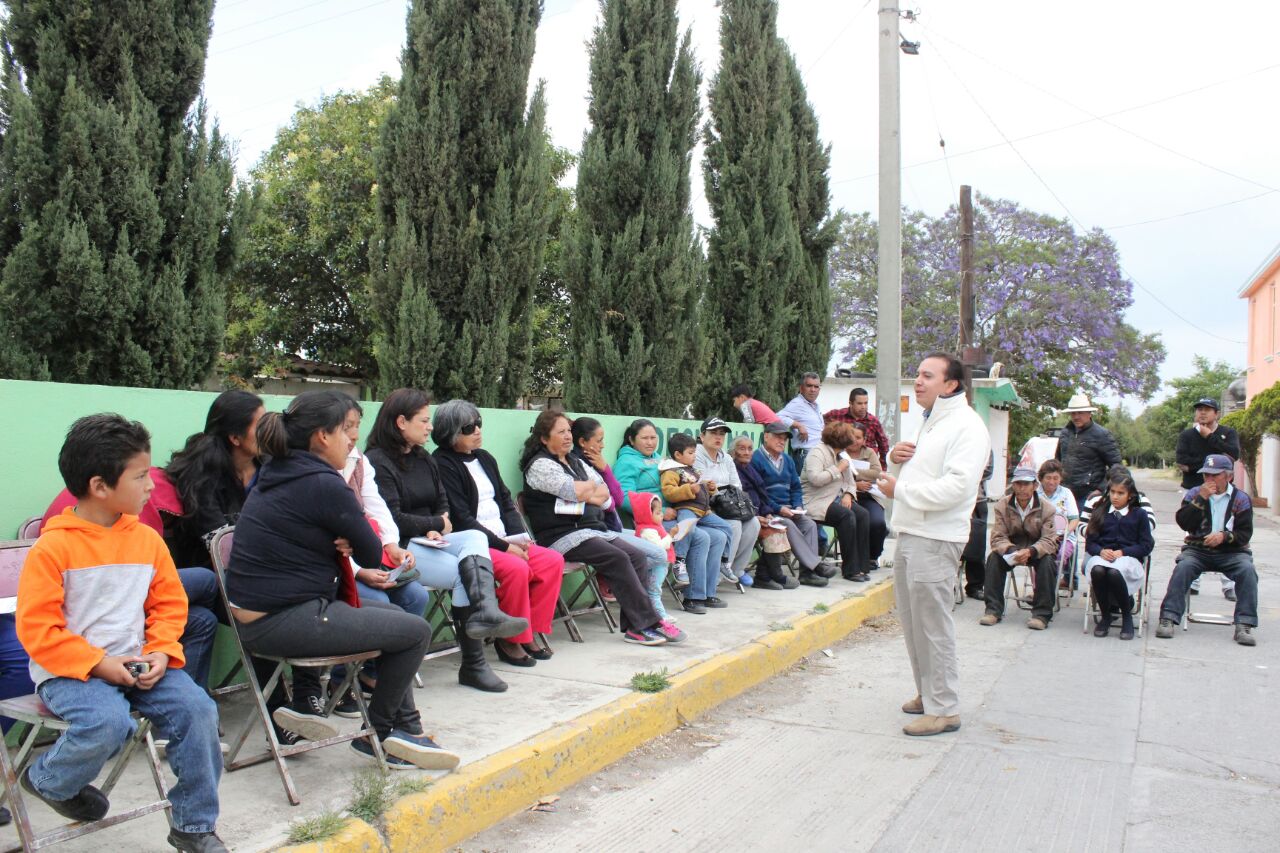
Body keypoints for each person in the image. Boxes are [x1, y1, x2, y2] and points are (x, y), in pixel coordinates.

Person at [17, 414, 226, 852]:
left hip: (139, 660)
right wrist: (99, 664)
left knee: (198, 710)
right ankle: (49, 781)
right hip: (71, 671)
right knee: (108, 723)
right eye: (140, 476)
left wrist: (163, 652)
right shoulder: (53, 548)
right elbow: (39, 629)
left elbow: (169, 605)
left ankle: (194, 827)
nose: (151, 485)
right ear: (100, 487)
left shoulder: (147, 540)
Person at [226, 391, 461, 771]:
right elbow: (371, 553)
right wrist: (349, 539)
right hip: (284, 619)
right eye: (346, 431)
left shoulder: (278, 469)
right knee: (415, 631)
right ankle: (384, 733)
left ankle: (405, 728)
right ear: (322, 436)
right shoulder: (322, 482)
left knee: (394, 623)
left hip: (267, 616)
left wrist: (343, 538)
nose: (352, 441)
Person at [365, 390, 528, 691]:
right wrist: (436, 523)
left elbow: (442, 502)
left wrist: (437, 525)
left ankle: (485, 617)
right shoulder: (377, 461)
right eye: (424, 420)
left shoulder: (422, 457)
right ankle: (474, 663)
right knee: (465, 575)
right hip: (400, 547)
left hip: (432, 539)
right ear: (401, 422)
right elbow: (393, 517)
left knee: (475, 537)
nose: (429, 427)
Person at [876, 353, 991, 738]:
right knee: (912, 622)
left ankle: (945, 708)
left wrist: (901, 488)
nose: (918, 382)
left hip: (937, 537)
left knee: (933, 625)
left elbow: (958, 487)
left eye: (928, 376)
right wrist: (895, 461)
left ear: (951, 384)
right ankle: (928, 694)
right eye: (918, 375)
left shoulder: (967, 427)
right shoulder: (929, 422)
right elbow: (917, 473)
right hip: (911, 532)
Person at [432, 398, 568, 680]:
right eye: (469, 427)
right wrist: (506, 546)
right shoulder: (442, 464)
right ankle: (510, 639)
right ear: (451, 431)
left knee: (551, 561)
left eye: (479, 423)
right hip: (476, 545)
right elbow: (462, 518)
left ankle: (528, 630)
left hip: (507, 538)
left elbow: (506, 501)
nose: (478, 431)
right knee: (517, 569)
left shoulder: (485, 458)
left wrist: (521, 538)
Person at [521, 411, 682, 644]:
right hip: (561, 536)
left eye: (568, 431)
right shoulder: (540, 465)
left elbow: (605, 493)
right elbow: (575, 491)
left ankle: (634, 628)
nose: (568, 437)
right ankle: (648, 622)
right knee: (617, 557)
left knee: (636, 555)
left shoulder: (574, 461)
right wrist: (586, 491)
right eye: (561, 432)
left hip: (591, 530)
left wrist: (585, 492)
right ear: (544, 439)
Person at [571, 417, 673, 623]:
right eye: (599, 440)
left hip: (609, 526)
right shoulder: (577, 464)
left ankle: (647, 607)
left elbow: (612, 497)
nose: (603, 445)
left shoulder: (595, 462)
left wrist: (604, 470)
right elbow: (619, 499)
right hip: (602, 528)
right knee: (650, 554)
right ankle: (646, 610)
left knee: (661, 550)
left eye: (654, 437)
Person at [1156, 454, 1260, 646]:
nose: (1209, 480)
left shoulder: (1241, 499)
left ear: (1228, 476)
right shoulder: (1194, 493)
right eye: (1206, 476)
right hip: (1198, 550)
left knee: (1247, 570)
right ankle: (1168, 617)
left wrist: (1224, 536)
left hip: (1232, 552)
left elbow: (1244, 534)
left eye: (1214, 475)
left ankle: (1244, 624)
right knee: (1183, 567)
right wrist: (1200, 499)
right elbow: (1184, 522)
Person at [614, 418, 714, 591]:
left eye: (653, 437)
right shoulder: (626, 462)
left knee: (716, 535)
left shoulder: (659, 459)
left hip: (674, 513)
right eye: (645, 438)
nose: (650, 442)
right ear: (631, 439)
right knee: (700, 537)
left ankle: (703, 594)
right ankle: (692, 595)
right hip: (649, 521)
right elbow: (623, 498)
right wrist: (658, 510)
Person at [750, 421, 833, 587]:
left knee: (809, 524)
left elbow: (796, 487)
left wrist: (798, 506)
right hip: (769, 512)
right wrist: (779, 509)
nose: (782, 441)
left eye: (785, 438)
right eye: (777, 437)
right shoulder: (756, 459)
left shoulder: (787, 460)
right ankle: (815, 565)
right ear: (766, 437)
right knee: (786, 523)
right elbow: (760, 494)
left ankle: (807, 573)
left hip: (789, 510)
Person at [1175, 397, 1242, 600]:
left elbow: (1233, 456)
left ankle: (1229, 584)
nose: (1202, 413)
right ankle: (1193, 581)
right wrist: (1215, 464)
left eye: (1207, 409)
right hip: (1195, 492)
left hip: (1223, 493)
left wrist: (1211, 437)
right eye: (1199, 409)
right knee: (1194, 533)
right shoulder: (1187, 435)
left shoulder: (1227, 433)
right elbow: (1183, 463)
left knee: (1225, 531)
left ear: (1217, 414)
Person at [660, 432, 736, 608]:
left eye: (694, 452)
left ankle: (723, 566)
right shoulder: (671, 471)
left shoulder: (692, 469)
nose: (694, 456)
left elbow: (702, 490)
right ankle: (679, 561)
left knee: (725, 530)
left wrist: (709, 488)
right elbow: (669, 492)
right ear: (678, 455)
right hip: (686, 509)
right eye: (691, 453)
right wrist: (689, 489)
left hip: (703, 511)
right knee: (687, 528)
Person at [978, 467, 1060, 631]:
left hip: (1037, 550)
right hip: (1012, 549)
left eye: (1026, 484)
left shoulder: (1047, 508)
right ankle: (993, 610)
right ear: (1013, 485)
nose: (1022, 488)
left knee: (1048, 563)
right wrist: (1011, 550)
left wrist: (1031, 551)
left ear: (1035, 486)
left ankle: (1041, 614)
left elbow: (1049, 539)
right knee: (993, 558)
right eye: (1018, 484)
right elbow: (998, 536)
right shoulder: (1003, 505)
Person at [1083, 472, 1155, 641]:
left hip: (1128, 559)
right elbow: (1090, 543)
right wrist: (1101, 551)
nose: (1115, 497)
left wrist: (1123, 552)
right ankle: (1106, 615)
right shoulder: (1100, 512)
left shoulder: (1139, 515)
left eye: (1120, 493)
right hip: (1103, 557)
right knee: (1099, 570)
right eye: (1112, 492)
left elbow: (1146, 545)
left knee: (1114, 572)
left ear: (1130, 496)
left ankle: (1126, 616)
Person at [694, 416, 761, 586]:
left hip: (728, 504)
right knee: (734, 524)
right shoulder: (696, 454)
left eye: (722, 434)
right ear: (702, 436)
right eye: (713, 433)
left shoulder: (727, 458)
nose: (718, 438)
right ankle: (716, 575)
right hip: (707, 505)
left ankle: (736, 569)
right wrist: (720, 492)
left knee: (753, 523)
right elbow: (704, 484)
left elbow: (736, 485)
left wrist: (723, 493)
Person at [802, 422, 873, 582]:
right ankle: (850, 570)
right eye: (850, 438)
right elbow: (815, 479)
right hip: (817, 501)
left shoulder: (842, 454)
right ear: (840, 439)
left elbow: (850, 481)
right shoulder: (817, 452)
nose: (852, 441)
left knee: (862, 514)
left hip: (838, 499)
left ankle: (862, 566)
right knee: (846, 516)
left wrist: (848, 494)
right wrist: (837, 469)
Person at [732, 435, 802, 589]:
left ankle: (764, 575)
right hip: (743, 515)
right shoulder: (733, 469)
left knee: (778, 526)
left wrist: (768, 512)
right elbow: (737, 500)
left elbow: (762, 496)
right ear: (734, 451)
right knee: (773, 531)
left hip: (759, 512)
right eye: (741, 448)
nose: (746, 452)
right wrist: (756, 516)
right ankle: (773, 575)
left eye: (750, 449)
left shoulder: (749, 468)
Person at [1054, 392, 1121, 504]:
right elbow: (1058, 461)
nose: (1076, 416)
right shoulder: (1065, 433)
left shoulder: (1102, 435)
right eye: (1073, 413)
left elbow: (1117, 466)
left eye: (1080, 412)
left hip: (1088, 496)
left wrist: (1101, 488)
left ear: (1089, 413)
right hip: (1064, 493)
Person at [846, 423, 889, 565]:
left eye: (858, 437)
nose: (854, 440)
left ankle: (872, 557)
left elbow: (876, 473)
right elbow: (837, 475)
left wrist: (851, 473)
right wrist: (855, 484)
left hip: (869, 495)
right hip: (847, 496)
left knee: (877, 523)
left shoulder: (869, 453)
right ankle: (854, 558)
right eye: (852, 436)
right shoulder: (840, 452)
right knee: (852, 521)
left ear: (864, 440)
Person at [823, 387, 890, 468]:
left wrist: (882, 466)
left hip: (867, 463)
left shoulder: (873, 421)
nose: (863, 407)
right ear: (850, 403)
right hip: (841, 462)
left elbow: (883, 444)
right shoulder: (836, 415)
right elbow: (818, 424)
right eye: (859, 403)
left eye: (866, 403)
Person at [777, 373, 825, 466]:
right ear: (801, 388)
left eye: (816, 387)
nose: (813, 390)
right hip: (805, 455)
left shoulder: (815, 405)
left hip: (817, 454)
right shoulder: (797, 403)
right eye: (809, 386)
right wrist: (798, 425)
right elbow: (778, 417)